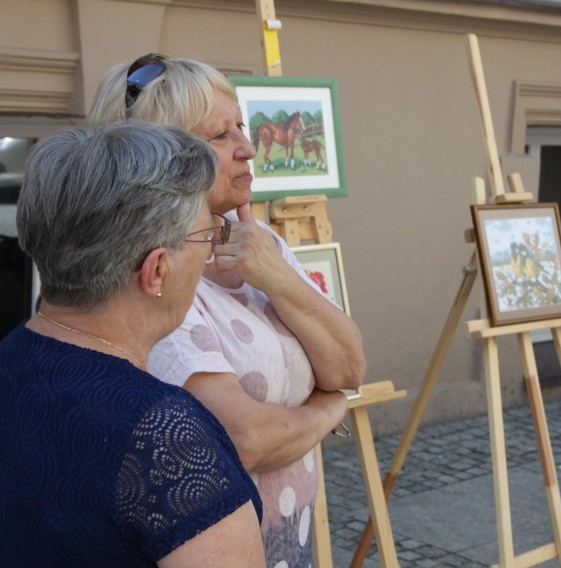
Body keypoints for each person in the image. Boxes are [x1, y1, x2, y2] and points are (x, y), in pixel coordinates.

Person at [89, 54, 366, 565]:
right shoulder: (156, 274)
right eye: (221, 135)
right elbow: (244, 439)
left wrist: (273, 274)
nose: (249, 147)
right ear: (163, 156)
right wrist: (328, 410)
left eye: (242, 124)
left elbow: (349, 365)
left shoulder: (261, 245)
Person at [0, 121, 265, 566]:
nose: (207, 252)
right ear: (156, 270)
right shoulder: (161, 433)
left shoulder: (11, 359)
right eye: (206, 236)